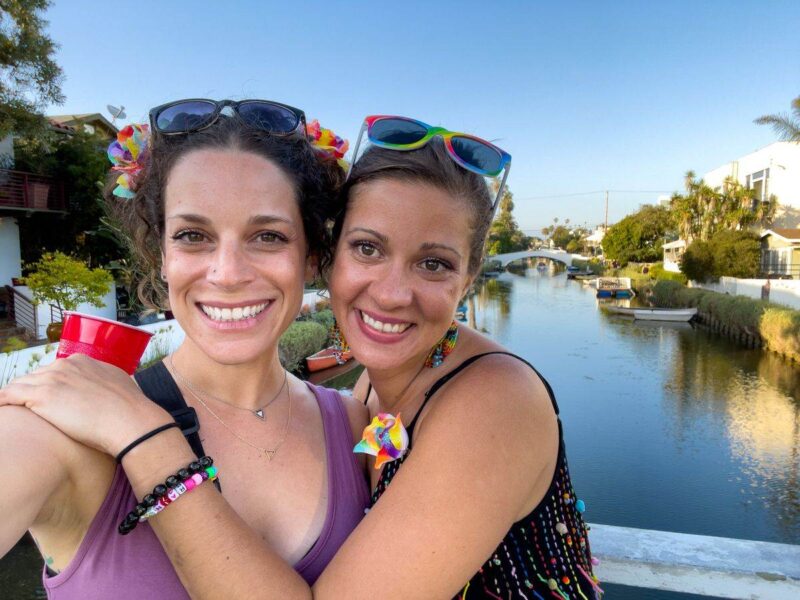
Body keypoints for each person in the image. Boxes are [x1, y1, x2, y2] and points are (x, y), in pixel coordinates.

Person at [1, 114, 599, 599]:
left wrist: (147, 437)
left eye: (435, 263)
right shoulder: (367, 400)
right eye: (193, 235)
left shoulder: (485, 399)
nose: (391, 292)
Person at [0, 100, 370, 598]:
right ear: (162, 257)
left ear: (311, 257)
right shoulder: (67, 433)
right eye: (193, 236)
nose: (228, 272)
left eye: (268, 235)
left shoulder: (352, 427)